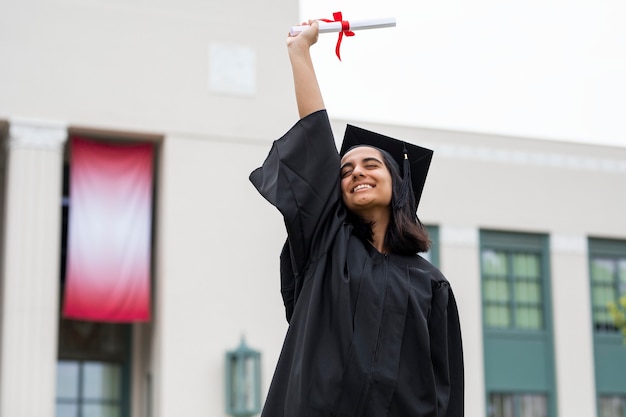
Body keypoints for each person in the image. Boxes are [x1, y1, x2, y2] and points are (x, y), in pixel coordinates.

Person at [250, 20, 464, 417]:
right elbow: (316, 140)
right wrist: (300, 52)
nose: (356, 173)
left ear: (397, 183)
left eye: (371, 165)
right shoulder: (328, 245)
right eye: (345, 171)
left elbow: (445, 389)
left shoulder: (432, 285)